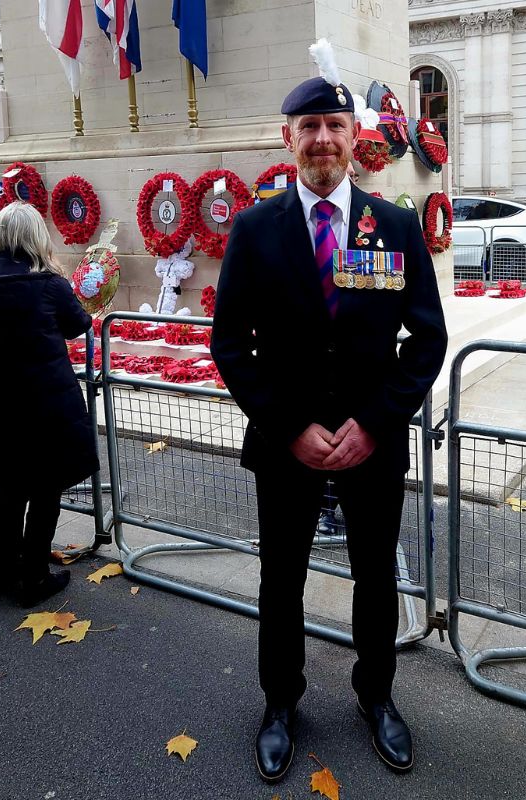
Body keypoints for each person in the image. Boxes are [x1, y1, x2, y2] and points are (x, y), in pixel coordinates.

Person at [211, 63, 448, 782]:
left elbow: (427, 339)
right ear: (289, 139)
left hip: (371, 444)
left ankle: (376, 698)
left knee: (375, 577)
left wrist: (375, 423)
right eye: (308, 127)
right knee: (279, 580)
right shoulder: (255, 230)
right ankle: (280, 703)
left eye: (334, 126)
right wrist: (289, 426)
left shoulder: (396, 227)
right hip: (288, 446)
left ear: (354, 138)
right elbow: (230, 345)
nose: (322, 139)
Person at [0, 202, 99, 606]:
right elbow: (79, 324)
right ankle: (34, 579)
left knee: (10, 491)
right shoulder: (49, 284)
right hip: (45, 407)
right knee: (45, 493)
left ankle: (1, 574)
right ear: (36, 236)